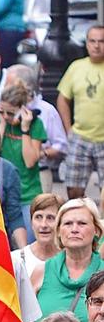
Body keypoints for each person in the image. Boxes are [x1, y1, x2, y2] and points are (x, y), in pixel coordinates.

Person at [56, 26, 104, 199]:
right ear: (87, 43)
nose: (97, 46)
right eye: (92, 41)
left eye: (101, 41)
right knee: (74, 191)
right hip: (80, 137)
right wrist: (68, 129)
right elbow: (62, 99)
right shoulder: (76, 67)